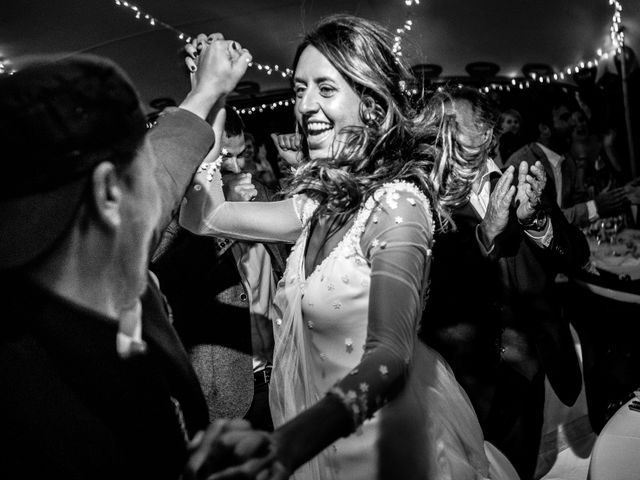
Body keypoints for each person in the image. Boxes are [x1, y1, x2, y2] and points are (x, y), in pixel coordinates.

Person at [181, 15, 519, 480]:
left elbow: (391, 357)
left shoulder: (398, 205)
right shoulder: (312, 206)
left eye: (325, 88)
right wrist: (211, 93)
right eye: (300, 90)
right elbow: (205, 216)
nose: (305, 106)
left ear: (371, 103)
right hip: (318, 445)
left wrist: (290, 442)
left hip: (380, 450)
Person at [0, 37, 275, 480]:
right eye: (141, 166)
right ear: (110, 192)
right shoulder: (46, 406)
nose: (161, 186)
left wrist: (206, 93)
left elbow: (167, 165)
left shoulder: (85, 254)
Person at [419, 87, 591, 479]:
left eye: (448, 125)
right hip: (461, 386)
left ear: (486, 133)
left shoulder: (525, 183)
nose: (437, 138)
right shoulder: (423, 201)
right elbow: (430, 290)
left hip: (527, 377)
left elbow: (577, 254)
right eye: (432, 129)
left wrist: (538, 223)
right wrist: (484, 234)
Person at [152, 107, 287, 432]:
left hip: (283, 379)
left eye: (243, 156)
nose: (238, 168)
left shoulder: (260, 192)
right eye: (226, 158)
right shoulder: (173, 218)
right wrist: (222, 213)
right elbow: (166, 280)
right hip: (224, 397)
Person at [507, 99, 629, 228]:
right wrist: (595, 207)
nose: (573, 124)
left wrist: (613, 197)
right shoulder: (522, 165)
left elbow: (576, 205)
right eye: (565, 118)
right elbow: (542, 221)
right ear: (545, 128)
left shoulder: (567, 162)